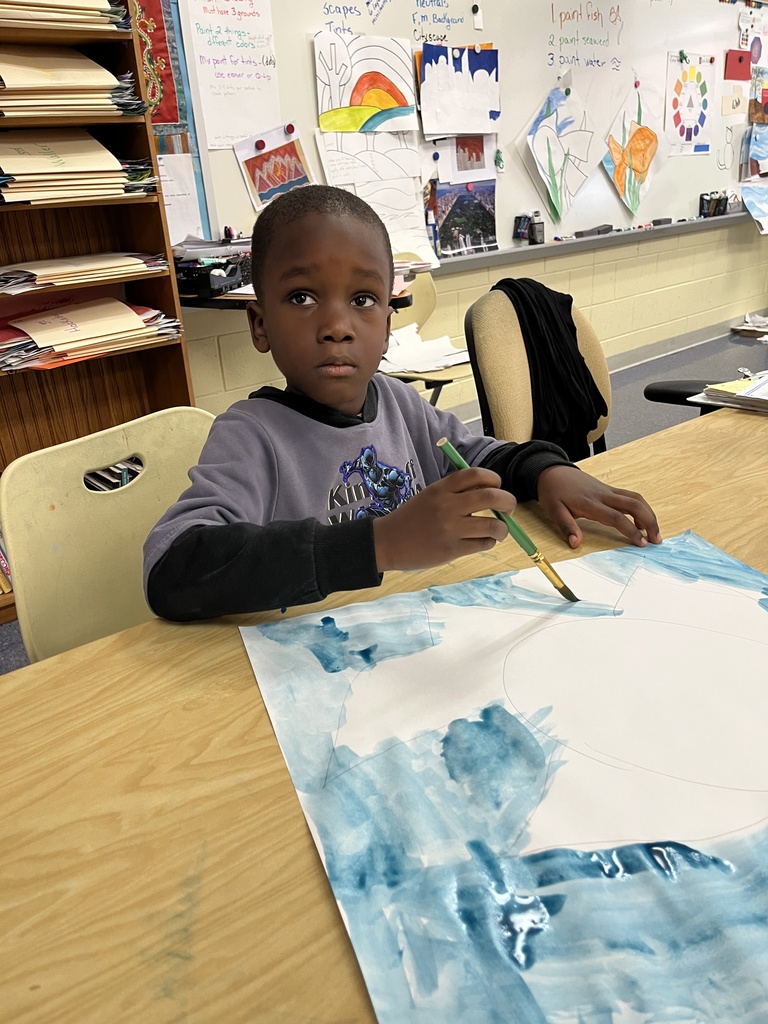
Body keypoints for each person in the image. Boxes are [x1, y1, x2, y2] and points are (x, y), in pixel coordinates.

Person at [144, 185, 661, 621]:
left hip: (423, 631)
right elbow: (172, 569)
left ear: (388, 325)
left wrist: (547, 472)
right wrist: (379, 543)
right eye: (302, 297)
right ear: (260, 325)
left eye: (363, 300)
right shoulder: (251, 437)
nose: (337, 327)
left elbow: (478, 457)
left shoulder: (397, 404)